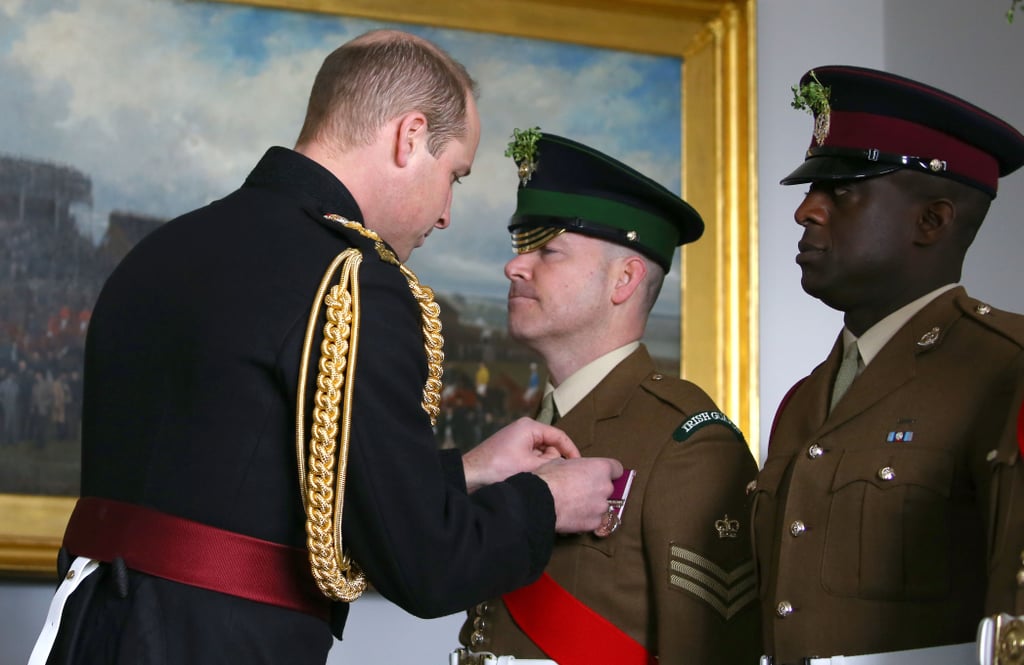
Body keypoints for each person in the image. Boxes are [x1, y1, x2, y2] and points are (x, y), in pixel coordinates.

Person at [27, 30, 623, 665]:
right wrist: (545, 501)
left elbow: (236, 477)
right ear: (409, 136)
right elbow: (424, 563)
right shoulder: (353, 282)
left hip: (88, 635)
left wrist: (466, 471)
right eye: (455, 175)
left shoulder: (162, 250)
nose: (448, 213)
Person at [452, 131, 761, 665]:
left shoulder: (688, 443)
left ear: (624, 278)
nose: (514, 267)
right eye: (521, 248)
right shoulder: (531, 428)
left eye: (548, 250)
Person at [752, 65, 1024, 664]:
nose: (805, 212)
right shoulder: (805, 400)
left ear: (932, 221)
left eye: (841, 190)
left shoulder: (1007, 370)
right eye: (809, 191)